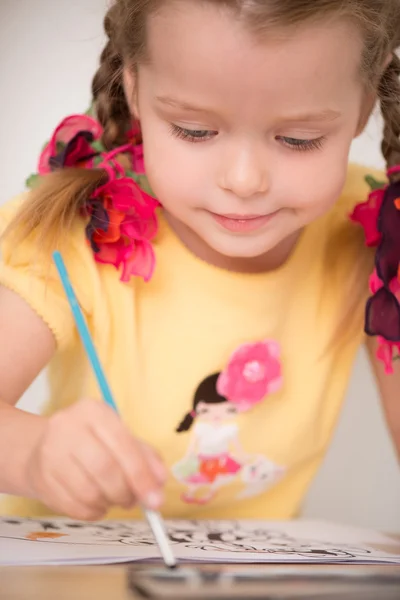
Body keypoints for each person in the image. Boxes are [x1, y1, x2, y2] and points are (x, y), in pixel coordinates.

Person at [0, 0, 399, 522]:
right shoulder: (75, 228)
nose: (243, 180)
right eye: (194, 131)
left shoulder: (374, 232)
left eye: (299, 139)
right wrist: (33, 454)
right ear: (135, 88)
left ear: (364, 106)